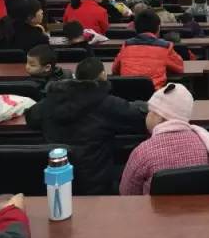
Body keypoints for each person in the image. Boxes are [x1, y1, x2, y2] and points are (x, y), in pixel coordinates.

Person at [25, 57, 147, 195]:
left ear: (76, 77)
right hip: (96, 185)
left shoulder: (50, 102)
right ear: (103, 75)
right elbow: (138, 116)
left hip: (56, 183)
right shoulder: (107, 103)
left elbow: (31, 118)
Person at [119, 83, 209, 195]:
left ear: (159, 116)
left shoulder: (142, 152)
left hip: (154, 207)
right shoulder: (206, 145)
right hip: (197, 205)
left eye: (150, 111)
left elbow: (126, 192)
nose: (147, 115)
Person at [112, 9, 185, 90]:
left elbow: (114, 69)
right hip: (154, 94)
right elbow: (179, 68)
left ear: (135, 28)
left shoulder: (127, 45)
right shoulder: (165, 47)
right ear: (158, 28)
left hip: (127, 93)